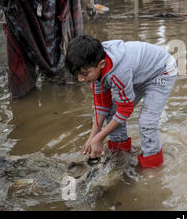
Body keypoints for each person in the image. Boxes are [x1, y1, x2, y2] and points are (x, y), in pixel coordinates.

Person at [65, 35, 177, 168]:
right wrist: (92, 137)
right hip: (137, 74)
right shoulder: (96, 66)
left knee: (147, 122)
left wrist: (99, 138)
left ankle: (152, 165)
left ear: (101, 64)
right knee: (112, 112)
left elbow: (125, 109)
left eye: (84, 74)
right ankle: (120, 153)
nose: (80, 79)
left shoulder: (118, 72)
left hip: (161, 72)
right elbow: (101, 106)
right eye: (77, 74)